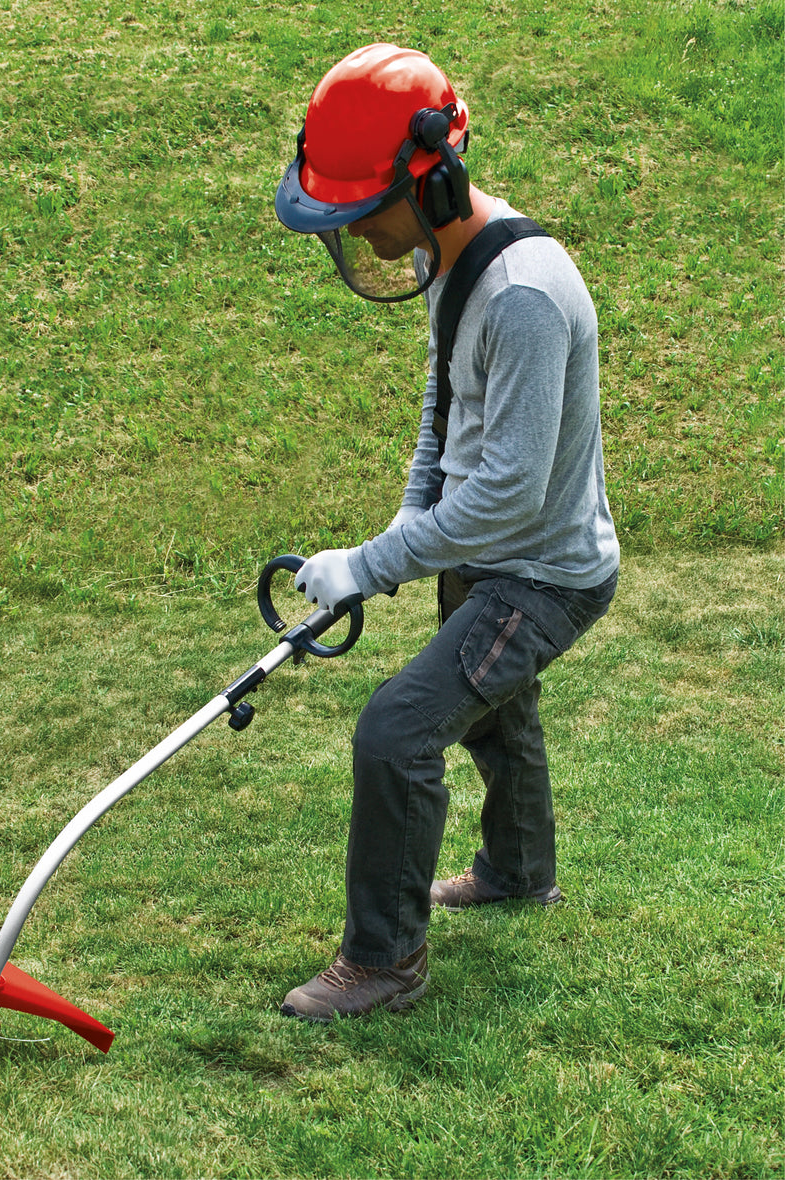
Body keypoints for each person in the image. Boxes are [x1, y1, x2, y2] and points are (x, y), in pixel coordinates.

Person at [272, 43, 620, 1021]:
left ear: (431, 183)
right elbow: (441, 414)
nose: (356, 235)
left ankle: (381, 962)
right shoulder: (450, 262)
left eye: (359, 214)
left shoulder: (521, 295)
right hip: (482, 553)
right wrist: (400, 529)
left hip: (541, 573)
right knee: (497, 720)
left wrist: (373, 563)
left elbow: (507, 492)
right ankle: (517, 873)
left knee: (396, 730)